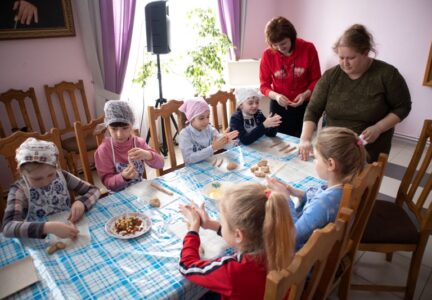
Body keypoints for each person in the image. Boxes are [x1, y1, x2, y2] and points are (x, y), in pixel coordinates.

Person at [299, 24, 412, 162]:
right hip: (333, 148)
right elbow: (313, 109)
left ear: (365, 53)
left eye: (351, 58)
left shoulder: (387, 75)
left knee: (361, 182)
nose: (344, 63)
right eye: (341, 58)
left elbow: (403, 107)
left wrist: (378, 128)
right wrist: (305, 138)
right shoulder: (331, 76)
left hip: (368, 150)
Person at [178, 182, 295, 299]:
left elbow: (186, 266)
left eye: (222, 222)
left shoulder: (233, 272)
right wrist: (211, 224)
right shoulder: (279, 243)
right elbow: (239, 235)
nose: (221, 223)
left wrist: (194, 227)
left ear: (238, 235)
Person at [268, 127, 366, 250]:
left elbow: (292, 235)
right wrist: (298, 193)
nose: (314, 162)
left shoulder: (324, 203)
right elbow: (319, 202)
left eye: (316, 158)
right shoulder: (344, 187)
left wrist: (286, 199)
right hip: (326, 247)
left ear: (331, 164)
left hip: (305, 257)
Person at [2, 138, 101, 239]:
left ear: (56, 167)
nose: (45, 182)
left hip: (68, 234)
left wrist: (82, 203)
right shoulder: (19, 190)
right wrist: (47, 227)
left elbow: (94, 190)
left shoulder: (62, 176)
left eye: (50, 175)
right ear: (22, 173)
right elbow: (8, 227)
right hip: (38, 241)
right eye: (37, 179)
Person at [259, 16, 321, 138]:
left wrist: (305, 95)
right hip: (279, 105)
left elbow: (317, 79)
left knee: (301, 142)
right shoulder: (267, 55)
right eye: (275, 45)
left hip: (303, 104)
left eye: (283, 43)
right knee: (277, 141)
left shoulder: (308, 48)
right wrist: (276, 96)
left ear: (292, 37)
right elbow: (264, 85)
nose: (280, 48)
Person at [94, 100, 164, 192]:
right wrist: (123, 177)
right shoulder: (104, 150)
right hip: (118, 194)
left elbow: (161, 164)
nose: (119, 134)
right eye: (114, 129)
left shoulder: (138, 143)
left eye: (125, 128)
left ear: (131, 125)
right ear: (107, 126)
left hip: (140, 190)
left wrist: (148, 155)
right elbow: (108, 183)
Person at [178, 97, 239, 165]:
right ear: (191, 118)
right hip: (193, 170)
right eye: (201, 118)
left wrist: (227, 141)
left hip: (210, 165)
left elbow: (220, 144)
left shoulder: (210, 129)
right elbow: (189, 159)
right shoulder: (185, 135)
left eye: (208, 117)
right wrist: (212, 148)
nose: (206, 121)